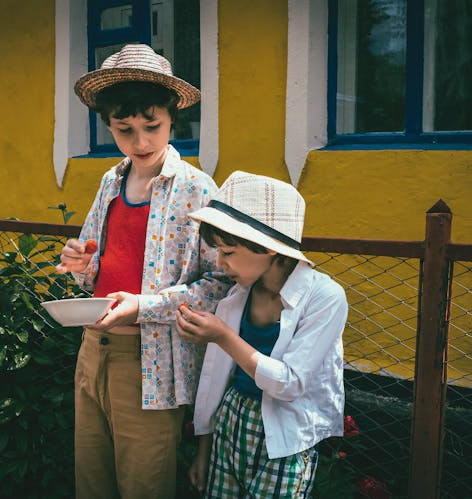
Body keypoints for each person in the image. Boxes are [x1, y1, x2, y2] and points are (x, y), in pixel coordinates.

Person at [55, 43, 231, 499]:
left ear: (173, 115)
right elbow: (96, 265)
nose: (141, 142)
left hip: (150, 363)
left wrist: (145, 306)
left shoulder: (197, 189)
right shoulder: (110, 181)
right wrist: (80, 264)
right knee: (90, 484)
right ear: (109, 124)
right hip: (93, 350)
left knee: (143, 487)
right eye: (124, 129)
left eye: (152, 126)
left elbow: (220, 285)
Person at [175, 171, 349, 498]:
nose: (220, 264)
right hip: (230, 422)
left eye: (227, 251)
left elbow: (291, 383)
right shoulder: (237, 296)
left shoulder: (325, 297)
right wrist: (204, 450)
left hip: (286, 437)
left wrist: (223, 337)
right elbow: (217, 381)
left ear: (267, 248)